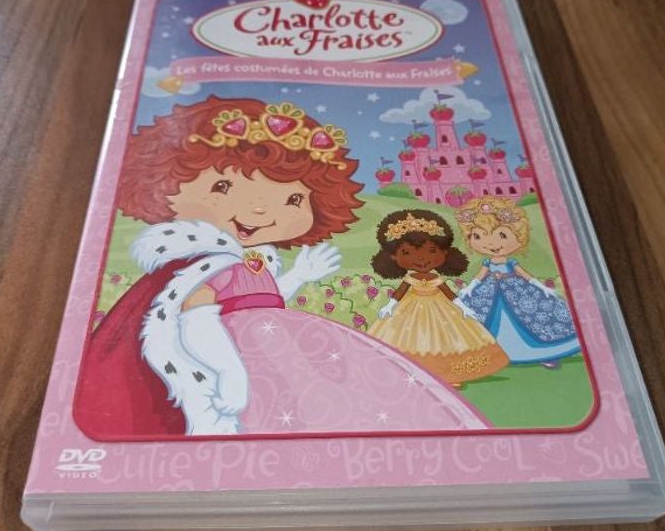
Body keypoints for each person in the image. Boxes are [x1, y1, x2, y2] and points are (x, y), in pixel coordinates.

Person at [74, 97, 490, 438]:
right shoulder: (203, 263)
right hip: (234, 356)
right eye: (224, 186)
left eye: (292, 200)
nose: (260, 210)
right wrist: (230, 373)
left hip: (274, 347)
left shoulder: (248, 258)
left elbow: (259, 298)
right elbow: (197, 317)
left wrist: (298, 277)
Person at [368, 210, 508, 385]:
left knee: (446, 339)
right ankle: (408, 375)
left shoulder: (436, 278)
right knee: (408, 339)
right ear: (393, 257)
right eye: (407, 253)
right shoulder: (409, 277)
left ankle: (450, 375)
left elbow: (449, 294)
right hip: (410, 309)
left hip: (440, 309)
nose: (421, 258)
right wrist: (390, 305)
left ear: (445, 252)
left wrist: (463, 308)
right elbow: (400, 292)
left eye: (432, 250)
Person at [455, 197, 581, 368]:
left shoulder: (511, 262)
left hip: (516, 289)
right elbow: (480, 275)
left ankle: (545, 353)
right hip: (488, 291)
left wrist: (540, 286)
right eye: (477, 236)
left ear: (519, 236)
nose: (491, 243)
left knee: (530, 317)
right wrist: (471, 287)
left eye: (502, 235)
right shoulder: (487, 262)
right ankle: (492, 355)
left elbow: (525, 275)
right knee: (480, 318)